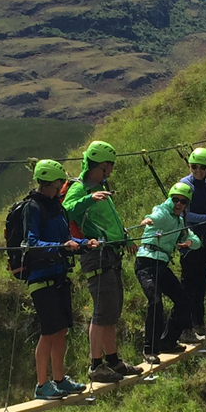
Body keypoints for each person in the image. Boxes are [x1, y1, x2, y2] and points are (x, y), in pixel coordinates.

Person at [63, 141, 143, 384]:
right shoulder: (81, 188)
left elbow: (111, 223)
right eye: (109, 167)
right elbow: (66, 211)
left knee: (112, 310)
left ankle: (113, 360)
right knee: (101, 311)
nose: (111, 172)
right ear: (101, 165)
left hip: (110, 255)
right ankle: (96, 365)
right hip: (95, 255)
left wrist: (126, 238)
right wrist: (89, 199)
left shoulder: (100, 188)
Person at [24, 159, 95, 400]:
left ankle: (59, 379)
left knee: (61, 330)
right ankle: (42, 385)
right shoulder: (32, 207)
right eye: (58, 184)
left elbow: (67, 238)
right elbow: (31, 243)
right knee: (49, 331)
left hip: (59, 274)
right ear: (51, 182)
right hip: (41, 277)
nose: (60, 189)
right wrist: (60, 247)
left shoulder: (57, 207)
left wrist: (86, 243)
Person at [135, 183, 201, 364]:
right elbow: (155, 215)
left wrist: (188, 241)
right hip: (146, 263)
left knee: (183, 301)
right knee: (155, 303)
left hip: (161, 265)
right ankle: (149, 349)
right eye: (176, 200)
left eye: (183, 201)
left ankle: (168, 341)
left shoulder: (180, 222)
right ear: (170, 200)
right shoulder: (163, 212)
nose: (179, 204)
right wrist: (148, 220)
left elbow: (196, 241)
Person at [178, 148, 206, 343]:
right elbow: (184, 214)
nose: (198, 171)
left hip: (204, 240)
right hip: (188, 243)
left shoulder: (205, 184)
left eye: (202, 168)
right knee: (189, 286)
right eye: (194, 167)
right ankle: (185, 328)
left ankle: (199, 324)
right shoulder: (185, 186)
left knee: (200, 283)